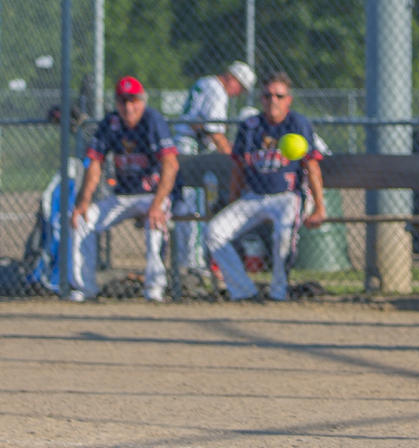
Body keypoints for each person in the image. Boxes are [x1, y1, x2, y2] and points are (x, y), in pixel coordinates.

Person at [205, 72, 326, 301]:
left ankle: (279, 292)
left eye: (279, 96)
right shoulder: (250, 127)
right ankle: (244, 291)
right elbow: (238, 168)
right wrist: (233, 201)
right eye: (268, 96)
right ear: (261, 99)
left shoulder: (297, 124)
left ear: (288, 100)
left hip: (289, 195)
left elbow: (312, 167)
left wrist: (319, 206)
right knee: (214, 232)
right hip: (254, 197)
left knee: (283, 234)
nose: (273, 101)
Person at [68, 76, 185, 302]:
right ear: (116, 103)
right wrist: (83, 202)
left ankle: (154, 288)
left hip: (152, 195)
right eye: (123, 101)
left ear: (142, 101)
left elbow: (170, 164)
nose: (129, 107)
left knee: (155, 222)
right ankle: (85, 287)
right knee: (82, 220)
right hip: (122, 196)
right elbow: (94, 163)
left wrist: (157, 204)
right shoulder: (111, 122)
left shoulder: (153, 120)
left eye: (134, 101)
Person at [173, 61, 256, 272]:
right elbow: (214, 131)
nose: (238, 93)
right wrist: (232, 158)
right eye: (240, 87)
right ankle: (194, 263)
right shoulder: (218, 91)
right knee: (196, 207)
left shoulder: (205, 82)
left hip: (180, 145)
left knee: (184, 207)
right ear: (232, 78)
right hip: (192, 151)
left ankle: (184, 261)